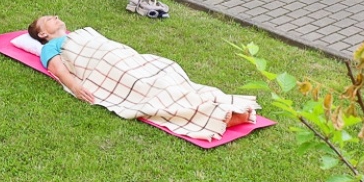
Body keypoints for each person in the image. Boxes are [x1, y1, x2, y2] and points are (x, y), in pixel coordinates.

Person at [26, 16, 257, 142]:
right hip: (106, 65)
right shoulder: (51, 48)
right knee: (148, 86)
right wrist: (76, 87)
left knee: (167, 69)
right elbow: (58, 69)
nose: (55, 16)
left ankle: (214, 102)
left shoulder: (80, 33)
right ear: (43, 34)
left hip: (124, 56)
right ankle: (214, 116)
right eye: (47, 19)